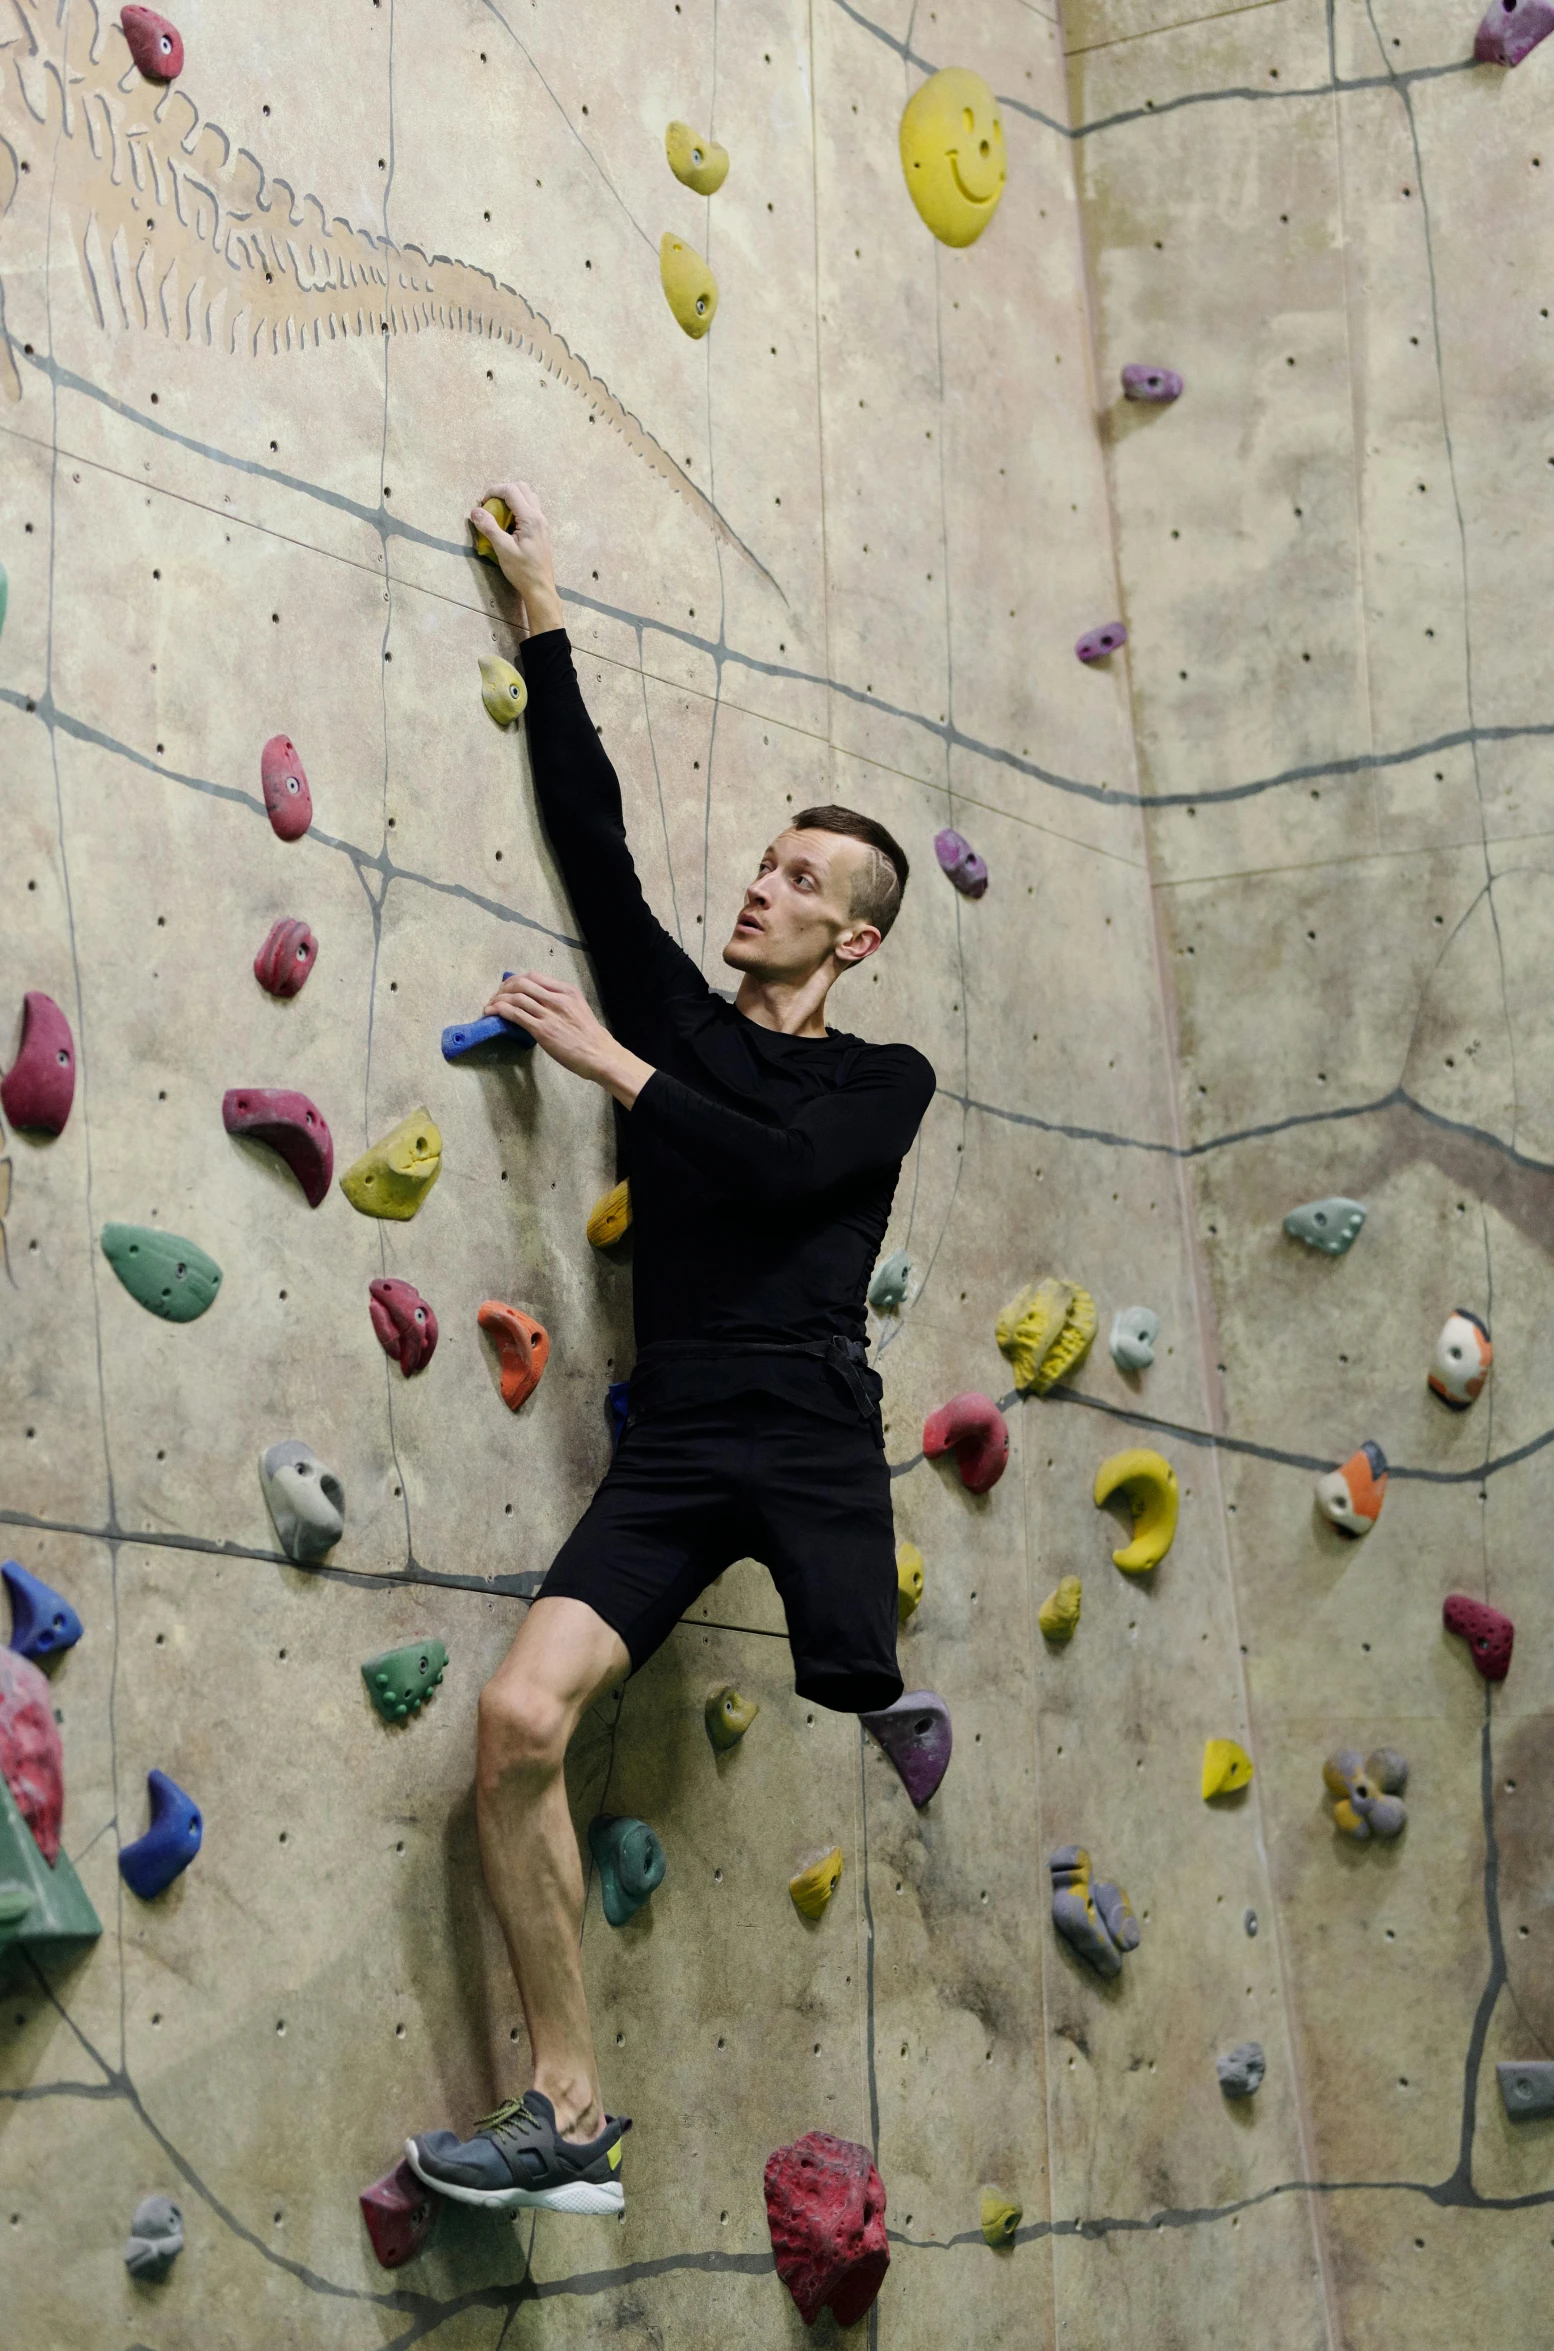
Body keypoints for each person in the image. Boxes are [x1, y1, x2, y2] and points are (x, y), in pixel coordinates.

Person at [404, 481, 935, 2218]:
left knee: (861, 1673)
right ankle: (566, 2111)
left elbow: (781, 1171)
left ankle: (878, 1666)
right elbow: (593, 837)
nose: (758, 885)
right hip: (679, 1437)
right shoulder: (683, 1009)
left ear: (851, 938)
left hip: (806, 1426)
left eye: (796, 879)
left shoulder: (878, 1079)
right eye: (765, 861)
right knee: (513, 1720)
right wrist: (539, 604)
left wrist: (620, 1073)